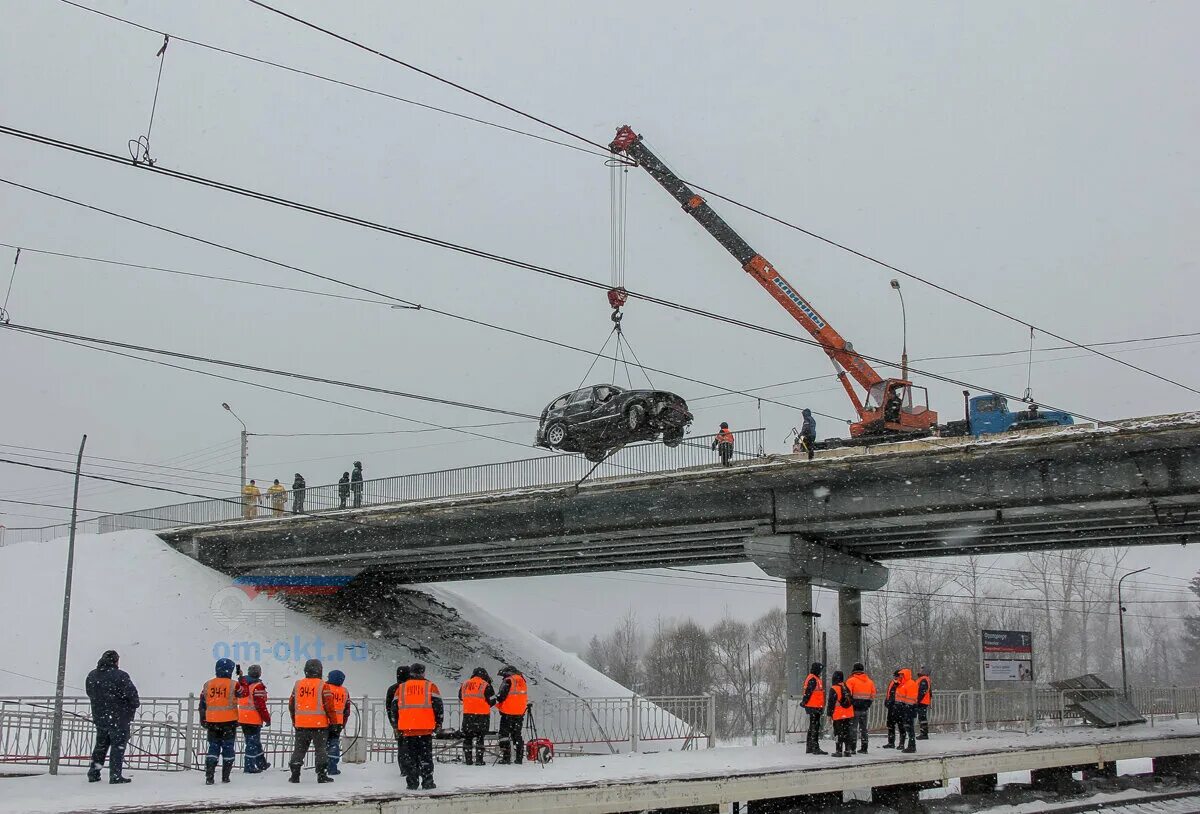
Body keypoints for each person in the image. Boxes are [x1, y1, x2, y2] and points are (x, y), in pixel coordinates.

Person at [85, 650, 139, 784]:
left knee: (101, 745)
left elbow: (89, 692)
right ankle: (115, 775)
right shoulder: (120, 676)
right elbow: (132, 695)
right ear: (115, 661)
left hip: (100, 717)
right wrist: (130, 706)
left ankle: (94, 772)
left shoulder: (92, 675)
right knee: (118, 747)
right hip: (119, 718)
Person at [288, 658, 337, 784]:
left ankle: (295, 774)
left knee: (299, 750)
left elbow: (291, 704)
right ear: (320, 670)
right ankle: (321, 775)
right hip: (319, 725)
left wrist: (295, 720)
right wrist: (334, 723)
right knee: (321, 750)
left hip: (301, 725)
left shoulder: (298, 685)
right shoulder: (323, 685)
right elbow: (329, 707)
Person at [397, 663, 443, 790]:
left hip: (407, 729)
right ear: (423, 673)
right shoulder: (431, 686)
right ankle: (428, 781)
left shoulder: (401, 688)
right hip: (425, 729)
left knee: (410, 758)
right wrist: (439, 723)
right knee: (426, 757)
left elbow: (394, 708)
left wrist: (397, 725)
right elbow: (438, 706)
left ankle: (412, 782)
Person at [199, 658, 239, 785]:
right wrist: (242, 677)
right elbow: (243, 695)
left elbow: (202, 704)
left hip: (212, 722)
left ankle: (209, 775)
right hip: (229, 722)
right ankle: (225, 776)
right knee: (228, 748)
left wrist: (203, 718)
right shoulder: (233, 684)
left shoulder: (208, 684)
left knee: (213, 747)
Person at [236, 663, 271, 774]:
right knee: (252, 743)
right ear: (259, 673)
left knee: (254, 742)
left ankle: (262, 763)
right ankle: (249, 765)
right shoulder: (257, 686)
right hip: (253, 718)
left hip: (243, 717)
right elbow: (260, 705)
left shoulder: (243, 683)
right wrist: (267, 718)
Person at [459, 667, 496, 765]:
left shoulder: (465, 684)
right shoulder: (486, 685)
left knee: (467, 738)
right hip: (482, 716)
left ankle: (468, 760)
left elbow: (461, 697)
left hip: (467, 715)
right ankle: (479, 760)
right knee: (480, 738)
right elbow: (493, 701)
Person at [495, 665, 528, 765]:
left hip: (507, 713)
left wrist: (496, 700)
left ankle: (506, 757)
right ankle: (519, 758)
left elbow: (501, 696)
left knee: (504, 735)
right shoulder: (522, 680)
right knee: (517, 735)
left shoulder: (508, 680)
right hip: (519, 713)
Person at [385, 665, 412, 775]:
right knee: (413, 746)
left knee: (402, 747)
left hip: (399, 722)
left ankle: (404, 769)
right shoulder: (409, 688)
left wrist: (393, 723)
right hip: (413, 721)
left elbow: (389, 707)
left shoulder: (392, 689)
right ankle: (414, 767)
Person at [844, 662, 876, 753]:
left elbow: (847, 694)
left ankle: (852, 747)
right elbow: (873, 694)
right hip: (865, 708)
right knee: (864, 728)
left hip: (854, 708)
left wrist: (850, 703)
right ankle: (864, 747)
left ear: (854, 670)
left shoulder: (851, 681)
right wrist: (868, 703)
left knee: (853, 728)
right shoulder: (870, 681)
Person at [325, 670, 351, 776]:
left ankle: (322, 766)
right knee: (334, 745)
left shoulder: (325, 688)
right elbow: (347, 710)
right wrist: (343, 723)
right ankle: (332, 767)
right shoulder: (344, 691)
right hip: (337, 723)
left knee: (322, 745)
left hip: (324, 722)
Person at [826, 670, 855, 757]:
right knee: (847, 732)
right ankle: (847, 750)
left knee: (838, 733)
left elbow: (831, 703)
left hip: (838, 714)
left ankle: (838, 751)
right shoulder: (847, 687)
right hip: (848, 714)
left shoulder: (834, 688)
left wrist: (829, 715)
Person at [800, 662, 827, 755]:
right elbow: (808, 692)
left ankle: (810, 747)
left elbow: (808, 692)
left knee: (813, 727)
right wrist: (804, 701)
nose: (821, 671)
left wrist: (804, 702)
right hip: (814, 706)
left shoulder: (813, 678)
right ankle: (815, 747)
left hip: (814, 706)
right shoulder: (813, 679)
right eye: (820, 669)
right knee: (815, 727)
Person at [893, 668, 918, 753]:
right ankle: (911, 745)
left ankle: (912, 746)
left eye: (901, 675)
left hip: (908, 709)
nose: (900, 676)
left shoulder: (910, 684)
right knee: (908, 727)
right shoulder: (902, 684)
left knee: (909, 728)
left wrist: (906, 708)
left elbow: (910, 699)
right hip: (904, 709)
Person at [882, 669, 901, 749]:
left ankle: (893, 742)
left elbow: (893, 695)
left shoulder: (898, 684)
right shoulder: (894, 683)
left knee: (896, 725)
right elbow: (890, 694)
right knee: (892, 725)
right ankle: (892, 742)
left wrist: (889, 702)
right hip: (894, 707)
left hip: (896, 707)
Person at [915, 667, 932, 740]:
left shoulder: (924, 679)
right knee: (922, 717)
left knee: (922, 717)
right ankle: (923, 733)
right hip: (923, 701)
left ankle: (924, 734)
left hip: (922, 701)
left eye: (921, 669)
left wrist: (917, 700)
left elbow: (922, 692)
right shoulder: (923, 679)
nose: (920, 670)